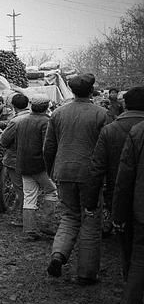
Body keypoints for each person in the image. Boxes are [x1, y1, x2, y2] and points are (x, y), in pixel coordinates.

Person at [44, 73, 110, 284]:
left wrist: (52, 171)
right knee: (90, 219)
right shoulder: (102, 114)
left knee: (70, 216)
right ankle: (87, 274)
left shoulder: (58, 113)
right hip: (90, 175)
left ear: (72, 91)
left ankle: (58, 255)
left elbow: (48, 148)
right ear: (92, 91)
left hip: (64, 172)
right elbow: (107, 149)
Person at [86, 86, 144, 281]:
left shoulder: (110, 130)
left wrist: (91, 201)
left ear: (124, 105)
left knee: (129, 247)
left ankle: (130, 286)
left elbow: (97, 167)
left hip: (120, 193)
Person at [11, 94, 58, 240]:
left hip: (23, 165)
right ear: (46, 107)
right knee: (52, 191)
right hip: (40, 166)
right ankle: (46, 224)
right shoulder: (46, 122)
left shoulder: (22, 121)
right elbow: (48, 147)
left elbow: (14, 143)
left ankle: (29, 230)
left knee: (29, 197)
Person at [113, 120, 144, 304]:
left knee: (140, 256)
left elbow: (124, 177)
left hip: (142, 208)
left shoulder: (139, 131)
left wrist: (119, 214)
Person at [0, 93, 30, 227]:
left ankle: (25, 220)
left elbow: (4, 141)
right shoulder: (37, 117)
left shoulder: (15, 121)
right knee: (30, 189)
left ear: (13, 106)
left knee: (21, 190)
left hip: (16, 159)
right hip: (34, 159)